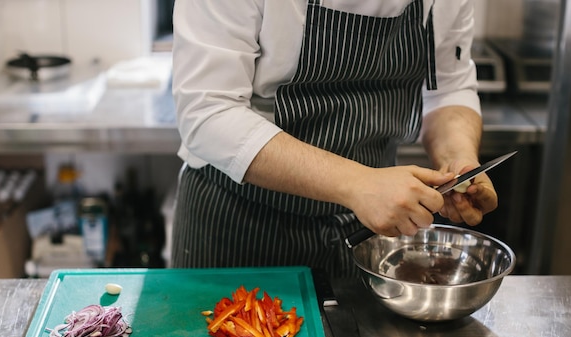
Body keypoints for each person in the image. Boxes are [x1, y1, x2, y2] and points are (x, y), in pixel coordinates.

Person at [170, 0, 498, 277]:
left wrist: (458, 162)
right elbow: (209, 111)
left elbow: (448, 88)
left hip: (366, 232)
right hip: (238, 224)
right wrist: (358, 183)